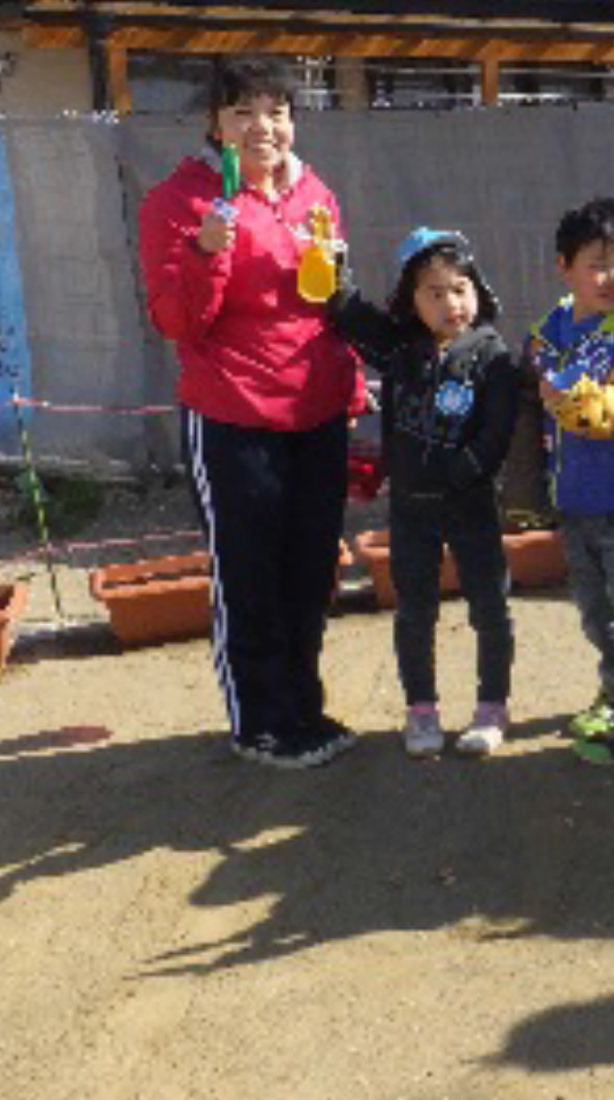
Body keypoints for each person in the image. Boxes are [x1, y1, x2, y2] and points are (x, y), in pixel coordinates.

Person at [138, 58, 361, 769]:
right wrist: (207, 254)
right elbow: (177, 322)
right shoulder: (182, 201)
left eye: (276, 111)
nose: (262, 127)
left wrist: (350, 389)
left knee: (310, 567)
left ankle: (304, 705)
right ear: (215, 124)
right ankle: (260, 722)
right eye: (243, 113)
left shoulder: (313, 189)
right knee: (249, 574)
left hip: (316, 410)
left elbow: (329, 303)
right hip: (233, 412)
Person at [331, 229, 520, 758]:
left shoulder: (493, 355)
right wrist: (331, 260)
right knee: (414, 611)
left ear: (477, 290)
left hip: (472, 506)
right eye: (433, 293)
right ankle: (421, 710)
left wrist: (460, 472)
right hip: (410, 509)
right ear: (411, 302)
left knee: (490, 606)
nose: (450, 303)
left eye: (459, 288)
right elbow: (346, 310)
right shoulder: (400, 351)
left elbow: (497, 434)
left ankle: (492, 706)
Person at [528, 198, 614, 764]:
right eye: (598, 263)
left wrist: (568, 400)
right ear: (564, 267)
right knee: (595, 615)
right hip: (574, 500)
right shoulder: (552, 327)